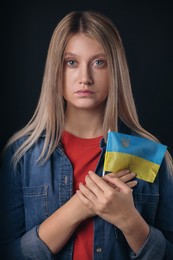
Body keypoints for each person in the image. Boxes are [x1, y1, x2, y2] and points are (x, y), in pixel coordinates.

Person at [1, 10, 173, 260]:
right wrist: (78, 208)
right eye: (72, 62)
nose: (85, 78)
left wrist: (129, 220)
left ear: (115, 70)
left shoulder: (150, 153)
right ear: (55, 70)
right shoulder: (21, 156)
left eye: (98, 63)